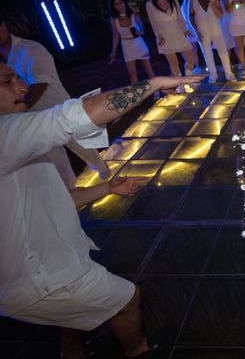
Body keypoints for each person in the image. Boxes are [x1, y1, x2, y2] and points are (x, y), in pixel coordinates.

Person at [0, 63, 202, 359]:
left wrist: (107, 189)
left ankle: (73, 353)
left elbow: (54, 200)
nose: (22, 87)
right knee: (127, 299)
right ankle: (138, 351)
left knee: (71, 320)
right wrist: (155, 83)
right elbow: (75, 116)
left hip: (37, 271)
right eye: (7, 81)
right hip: (41, 279)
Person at [0, 18, 110, 188]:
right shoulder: (4, 60)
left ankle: (104, 172)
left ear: (4, 25)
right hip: (33, 120)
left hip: (57, 109)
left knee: (83, 148)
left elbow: (39, 85)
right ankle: (72, 194)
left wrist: (18, 113)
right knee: (56, 162)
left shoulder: (30, 49)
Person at [145, 0, 195, 77]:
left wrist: (184, 29)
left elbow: (180, 17)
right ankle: (180, 86)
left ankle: (188, 80)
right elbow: (154, 23)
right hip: (165, 35)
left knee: (190, 60)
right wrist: (159, 36)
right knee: (174, 64)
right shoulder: (149, 4)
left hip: (178, 32)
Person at [189, 0, 237, 82]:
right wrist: (196, 31)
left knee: (223, 51)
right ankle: (213, 74)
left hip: (216, 28)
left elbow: (220, 15)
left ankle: (228, 73)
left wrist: (211, 1)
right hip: (202, 30)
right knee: (207, 53)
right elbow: (191, 17)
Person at [108, 0, 156, 85]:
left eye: (120, 2)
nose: (119, 5)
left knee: (148, 70)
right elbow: (115, 35)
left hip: (139, 44)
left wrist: (139, 32)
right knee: (132, 75)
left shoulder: (134, 16)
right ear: (113, 7)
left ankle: (156, 91)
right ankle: (137, 96)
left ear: (124, 3)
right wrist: (113, 51)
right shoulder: (114, 19)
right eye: (116, 4)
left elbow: (142, 31)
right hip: (127, 47)